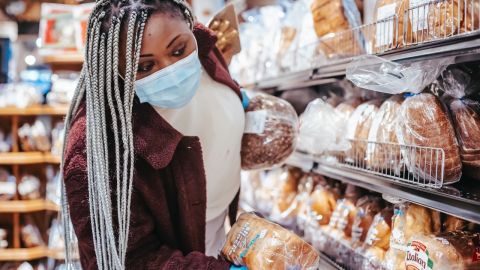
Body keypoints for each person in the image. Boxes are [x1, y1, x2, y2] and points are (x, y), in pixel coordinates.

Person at [61, 1, 245, 269]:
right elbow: (134, 259)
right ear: (117, 70)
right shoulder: (94, 149)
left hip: (219, 236)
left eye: (179, 50)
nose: (171, 70)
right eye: (144, 67)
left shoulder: (204, 46)